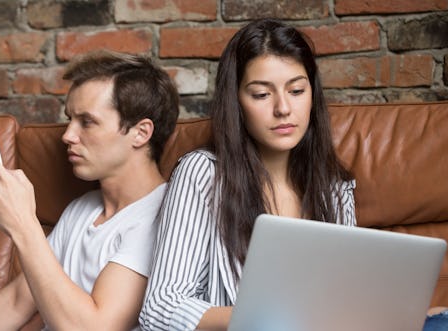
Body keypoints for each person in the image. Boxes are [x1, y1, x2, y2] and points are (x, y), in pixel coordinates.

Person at [139, 18, 356, 331]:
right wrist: (271, 319)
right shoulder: (202, 174)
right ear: (236, 102)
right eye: (261, 95)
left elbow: (347, 303)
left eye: (296, 90)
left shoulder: (336, 190)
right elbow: (160, 308)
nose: (283, 108)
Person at [0, 50, 179, 331]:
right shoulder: (83, 207)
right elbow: (18, 300)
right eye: (70, 119)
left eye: (87, 121)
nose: (67, 135)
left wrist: (24, 225)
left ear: (140, 133)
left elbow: (96, 327)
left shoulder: (162, 217)